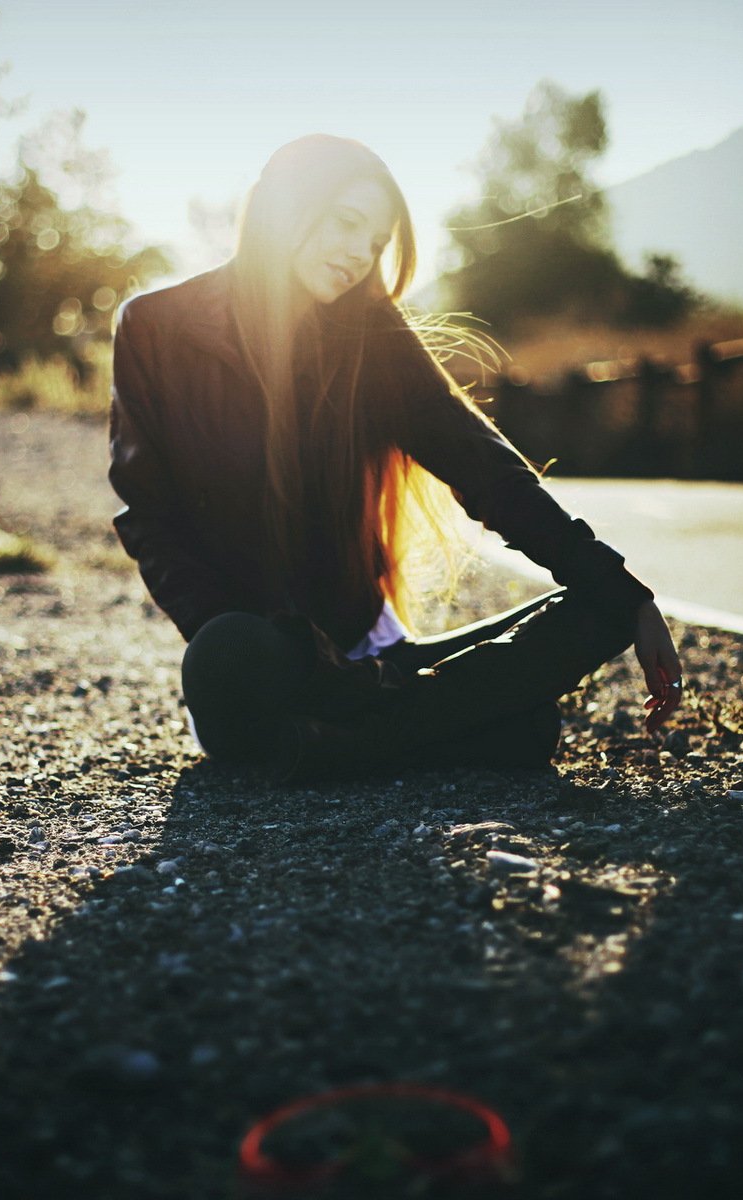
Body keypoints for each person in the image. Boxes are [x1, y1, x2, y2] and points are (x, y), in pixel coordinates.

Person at [106, 134, 683, 781]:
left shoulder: (372, 336)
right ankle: (410, 725)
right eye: (348, 223)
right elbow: (150, 516)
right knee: (230, 656)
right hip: (264, 660)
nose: (360, 253)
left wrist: (622, 591)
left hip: (374, 659)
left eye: (377, 242)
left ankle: (337, 746)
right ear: (283, 207)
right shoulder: (153, 327)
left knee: (601, 609)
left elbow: (488, 472)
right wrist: (261, 645)